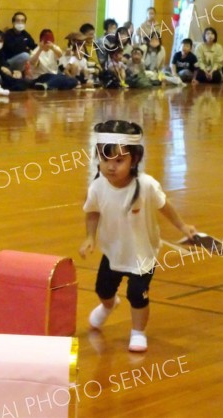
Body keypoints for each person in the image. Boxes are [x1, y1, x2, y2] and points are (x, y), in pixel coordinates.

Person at [79, 120, 196, 352]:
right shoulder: (97, 187)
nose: (111, 167)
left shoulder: (146, 186)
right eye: (105, 160)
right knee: (103, 290)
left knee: (137, 294)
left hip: (142, 254)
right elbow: (92, 212)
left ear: (134, 160)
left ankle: (138, 332)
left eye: (119, 161)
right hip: (113, 251)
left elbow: (165, 206)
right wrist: (90, 237)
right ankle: (109, 306)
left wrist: (183, 227)